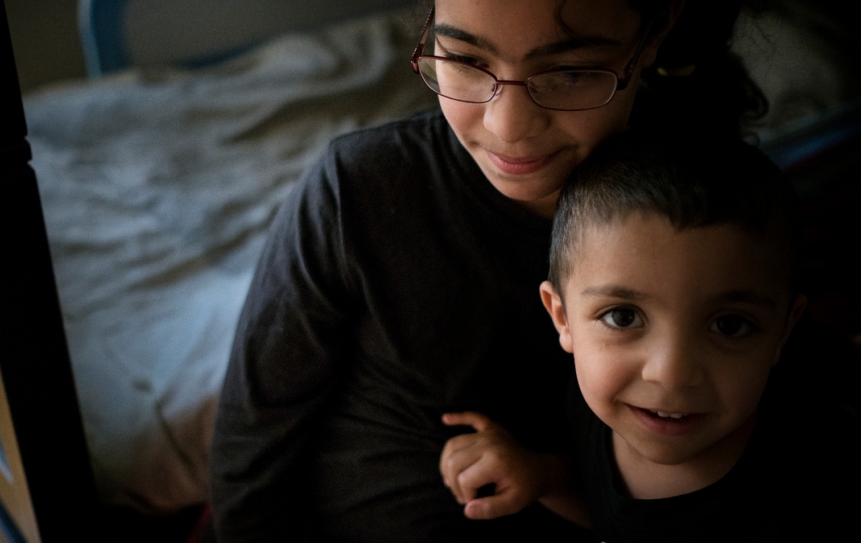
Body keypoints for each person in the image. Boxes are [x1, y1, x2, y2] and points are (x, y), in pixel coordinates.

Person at [209, 1, 768, 541]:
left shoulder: (711, 219)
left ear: (655, 30)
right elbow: (251, 452)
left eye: (569, 72)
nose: (508, 127)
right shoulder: (360, 192)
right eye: (467, 62)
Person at [439, 131, 860, 541]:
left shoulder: (807, 498)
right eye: (622, 317)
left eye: (729, 325)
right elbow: (620, 517)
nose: (670, 374)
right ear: (563, 318)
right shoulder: (587, 405)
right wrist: (542, 477)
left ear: (784, 329)